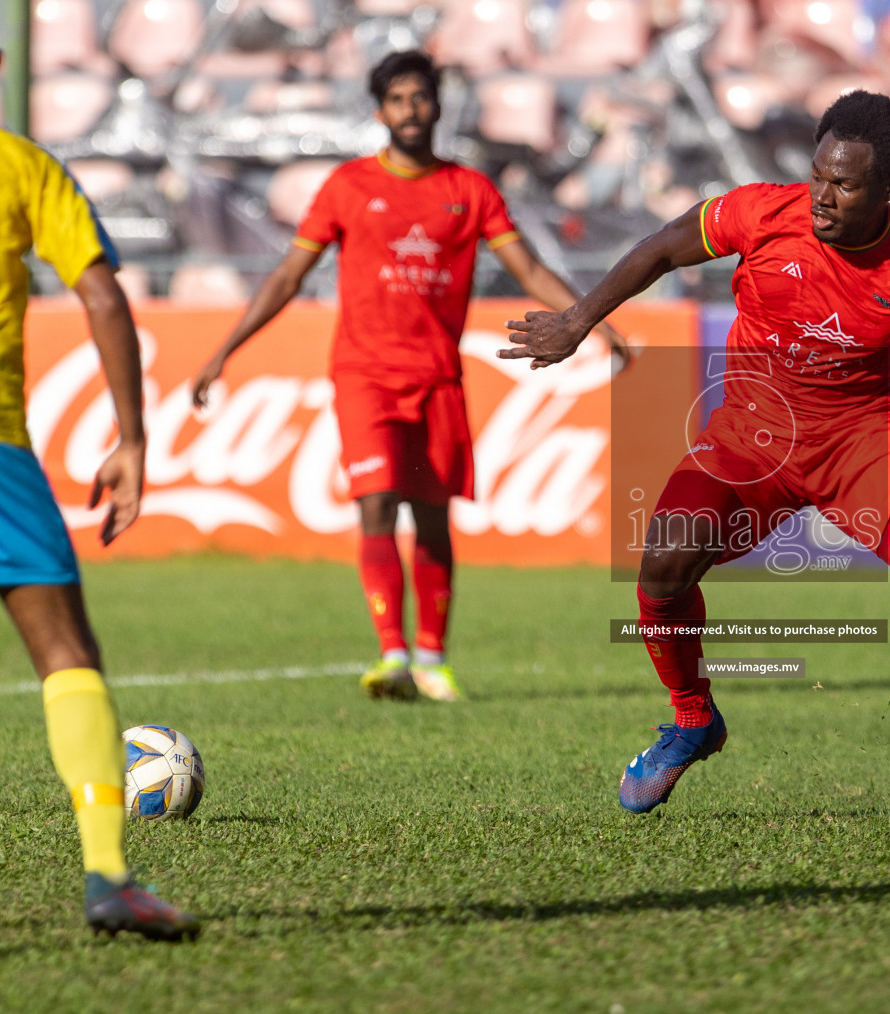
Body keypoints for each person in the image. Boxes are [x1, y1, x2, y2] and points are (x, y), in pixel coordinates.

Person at [503, 91, 890, 825]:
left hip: (860, 446)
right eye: (818, 176)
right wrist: (578, 321)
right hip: (752, 437)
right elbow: (659, 247)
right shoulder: (759, 212)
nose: (822, 197)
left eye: (845, 186)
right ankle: (691, 721)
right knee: (662, 563)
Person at [192, 50, 628, 703]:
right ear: (380, 111)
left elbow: (530, 266)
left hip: (438, 377)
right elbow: (287, 275)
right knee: (376, 504)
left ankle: (433, 658)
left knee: (431, 518)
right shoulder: (347, 187)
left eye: (420, 97)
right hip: (365, 373)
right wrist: (226, 348)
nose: (411, 110)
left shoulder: (470, 191)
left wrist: (595, 322)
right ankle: (392, 653)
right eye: (398, 99)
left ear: (437, 105)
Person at [0, 6, 200, 939]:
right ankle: (108, 875)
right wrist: (133, 437)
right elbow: (103, 292)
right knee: (64, 652)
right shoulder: (23, 167)